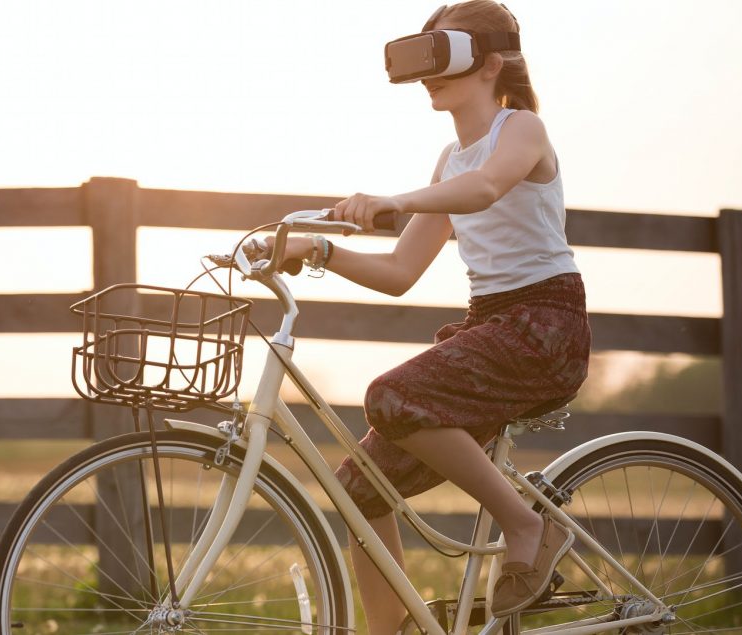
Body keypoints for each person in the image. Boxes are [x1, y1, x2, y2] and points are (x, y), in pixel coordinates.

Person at [270, 1, 592, 631]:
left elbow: (486, 190)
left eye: (443, 57)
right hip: (491, 325)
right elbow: (398, 273)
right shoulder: (450, 159)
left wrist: (396, 199)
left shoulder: (520, 129)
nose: (428, 74)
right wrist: (320, 249)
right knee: (359, 488)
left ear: (491, 64)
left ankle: (527, 525)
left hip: (543, 327)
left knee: (391, 394)